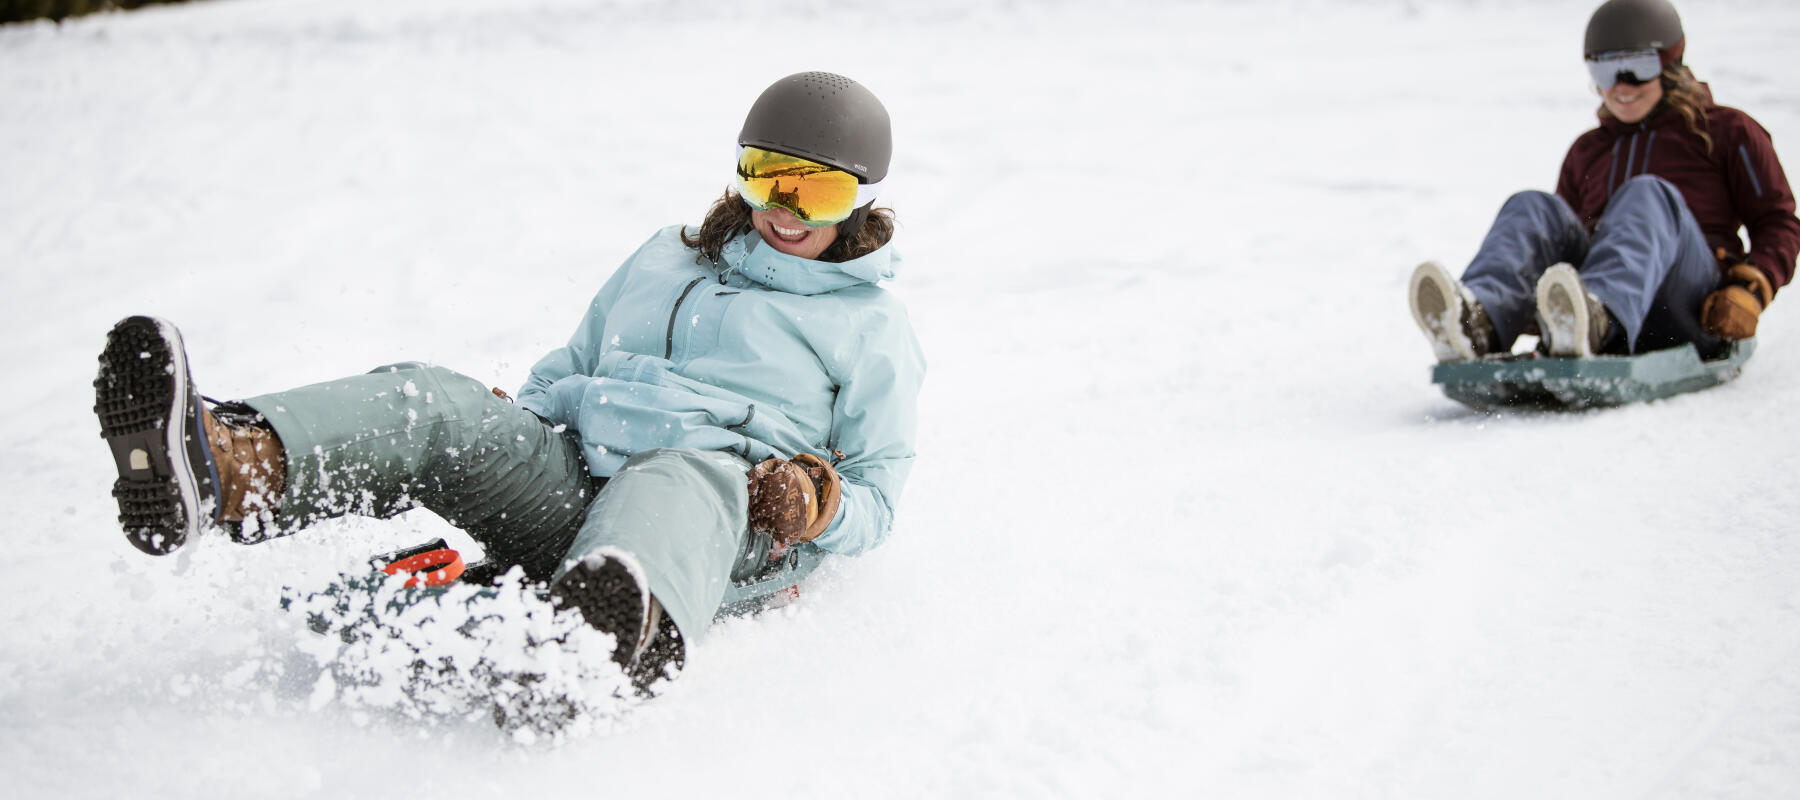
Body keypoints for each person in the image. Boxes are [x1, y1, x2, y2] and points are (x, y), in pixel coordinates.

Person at [92, 71, 925, 693]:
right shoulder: (668, 254)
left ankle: (604, 646)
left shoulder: (871, 326)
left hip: (718, 520)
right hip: (580, 483)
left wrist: (818, 502)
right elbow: (571, 367)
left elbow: (880, 495)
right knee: (439, 399)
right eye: (766, 176)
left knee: (680, 470)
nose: (785, 208)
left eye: (816, 190)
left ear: (861, 203)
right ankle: (225, 466)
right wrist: (511, 428)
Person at [1409, 0, 1799, 363]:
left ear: (1671, 64)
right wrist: (1533, 302)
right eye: (1605, 72)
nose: (1621, 86)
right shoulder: (1587, 151)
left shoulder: (1726, 131)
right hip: (1596, 312)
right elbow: (1559, 250)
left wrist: (1751, 288)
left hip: (1691, 304)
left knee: (1648, 194)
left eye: (1637, 68)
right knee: (1534, 205)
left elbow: (1778, 222)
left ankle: (1598, 315)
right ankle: (1480, 322)